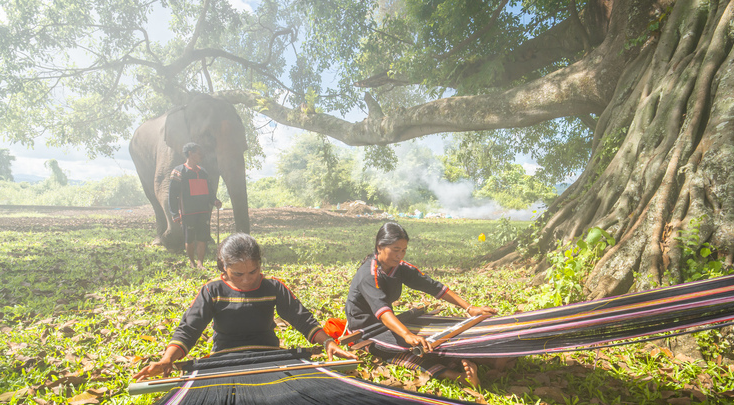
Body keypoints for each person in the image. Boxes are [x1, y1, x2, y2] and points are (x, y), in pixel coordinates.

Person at [135, 233, 356, 380]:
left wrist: (327, 342)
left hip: (269, 357)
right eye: (238, 274)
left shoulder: (273, 287)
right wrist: (167, 359)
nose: (248, 279)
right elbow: (189, 329)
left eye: (253, 271)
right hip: (224, 360)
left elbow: (301, 318)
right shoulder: (212, 291)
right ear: (224, 268)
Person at [345, 222, 497, 386]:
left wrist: (470, 308)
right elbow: (382, 311)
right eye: (396, 250)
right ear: (380, 247)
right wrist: (407, 335)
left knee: (430, 338)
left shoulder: (400, 268)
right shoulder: (368, 275)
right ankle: (457, 376)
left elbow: (434, 287)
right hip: (366, 329)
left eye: (403, 250)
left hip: (388, 322)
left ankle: (484, 360)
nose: (400, 255)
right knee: (408, 348)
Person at [168, 142, 223, 269]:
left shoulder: (203, 172)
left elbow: (209, 191)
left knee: (203, 237)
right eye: (198, 152)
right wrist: (174, 213)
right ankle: (192, 262)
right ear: (190, 153)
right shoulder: (178, 171)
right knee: (189, 239)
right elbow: (172, 194)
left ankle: (200, 263)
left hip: (203, 211)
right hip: (188, 212)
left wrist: (214, 201)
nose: (201, 155)